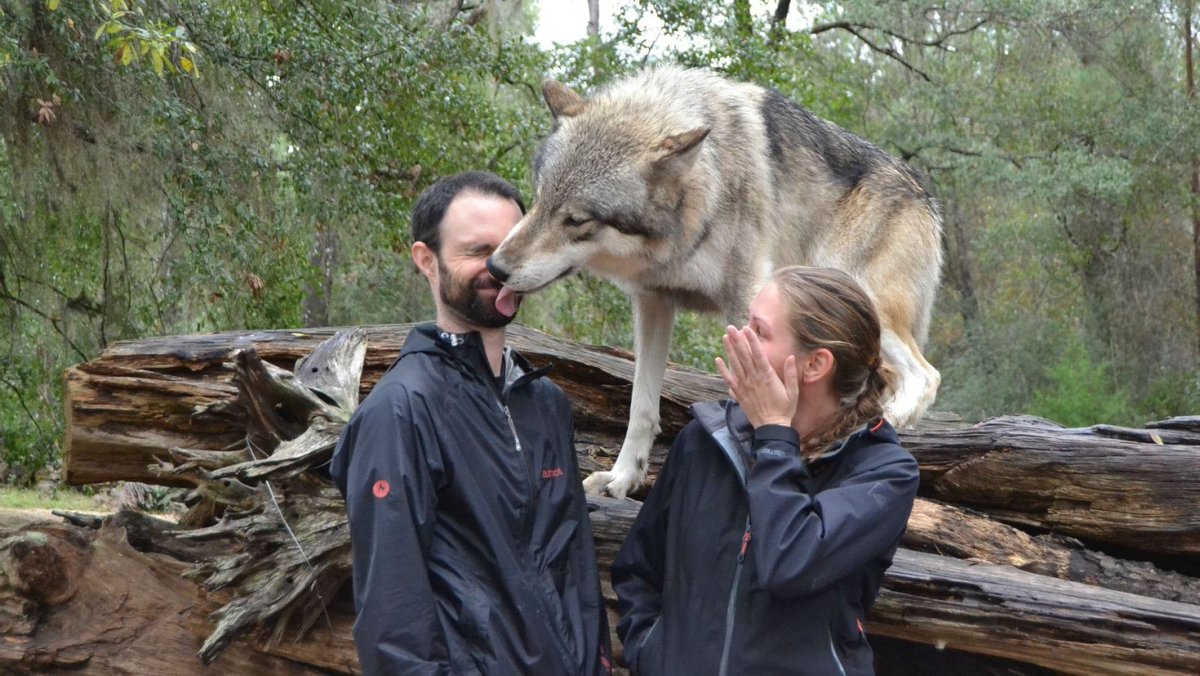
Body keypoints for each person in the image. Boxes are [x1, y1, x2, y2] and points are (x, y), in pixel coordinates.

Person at [330, 171, 612, 675]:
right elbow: (393, 624)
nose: (498, 267)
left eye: (508, 246)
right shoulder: (400, 412)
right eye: (476, 250)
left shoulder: (545, 403)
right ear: (426, 261)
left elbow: (578, 568)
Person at [611, 266, 920, 675]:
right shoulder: (706, 442)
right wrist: (652, 652)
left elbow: (790, 563)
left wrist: (775, 435)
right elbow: (638, 570)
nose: (738, 339)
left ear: (815, 365)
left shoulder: (883, 474)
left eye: (760, 331)